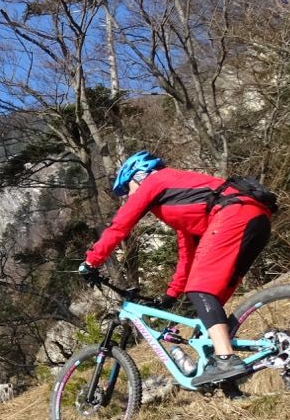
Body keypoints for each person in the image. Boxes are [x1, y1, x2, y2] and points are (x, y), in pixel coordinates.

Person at [77, 151, 273, 388]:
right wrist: (172, 293)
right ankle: (224, 375)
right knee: (208, 303)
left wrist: (91, 261)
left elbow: (120, 226)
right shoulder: (179, 200)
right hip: (256, 220)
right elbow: (187, 253)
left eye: (128, 189)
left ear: (139, 176)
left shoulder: (155, 182)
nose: (128, 196)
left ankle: (225, 359)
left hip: (233, 215)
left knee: (200, 289)